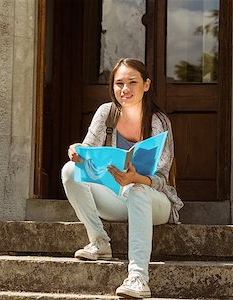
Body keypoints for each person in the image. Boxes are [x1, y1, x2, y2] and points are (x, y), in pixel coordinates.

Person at [61, 58, 183, 298]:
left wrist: (137, 178)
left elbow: (162, 178)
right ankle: (99, 241)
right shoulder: (106, 113)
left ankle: (138, 278)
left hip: (154, 202)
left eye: (132, 82)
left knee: (137, 190)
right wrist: (77, 151)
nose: (124, 89)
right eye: (119, 84)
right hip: (117, 199)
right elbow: (88, 152)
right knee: (69, 171)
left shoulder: (158, 121)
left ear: (146, 85)